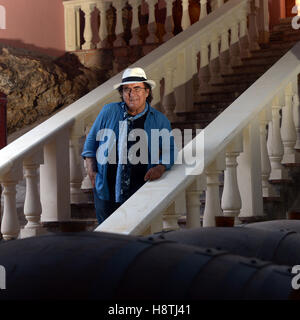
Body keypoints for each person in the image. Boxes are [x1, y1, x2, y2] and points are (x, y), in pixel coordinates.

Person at [82, 67, 177, 225]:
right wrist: (92, 173)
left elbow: (170, 150)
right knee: (108, 237)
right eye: (126, 89)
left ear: (147, 92)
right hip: (106, 191)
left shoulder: (159, 120)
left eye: (137, 88)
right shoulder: (109, 111)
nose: (131, 94)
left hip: (140, 191)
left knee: (136, 237)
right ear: (122, 93)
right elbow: (90, 145)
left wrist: (160, 168)